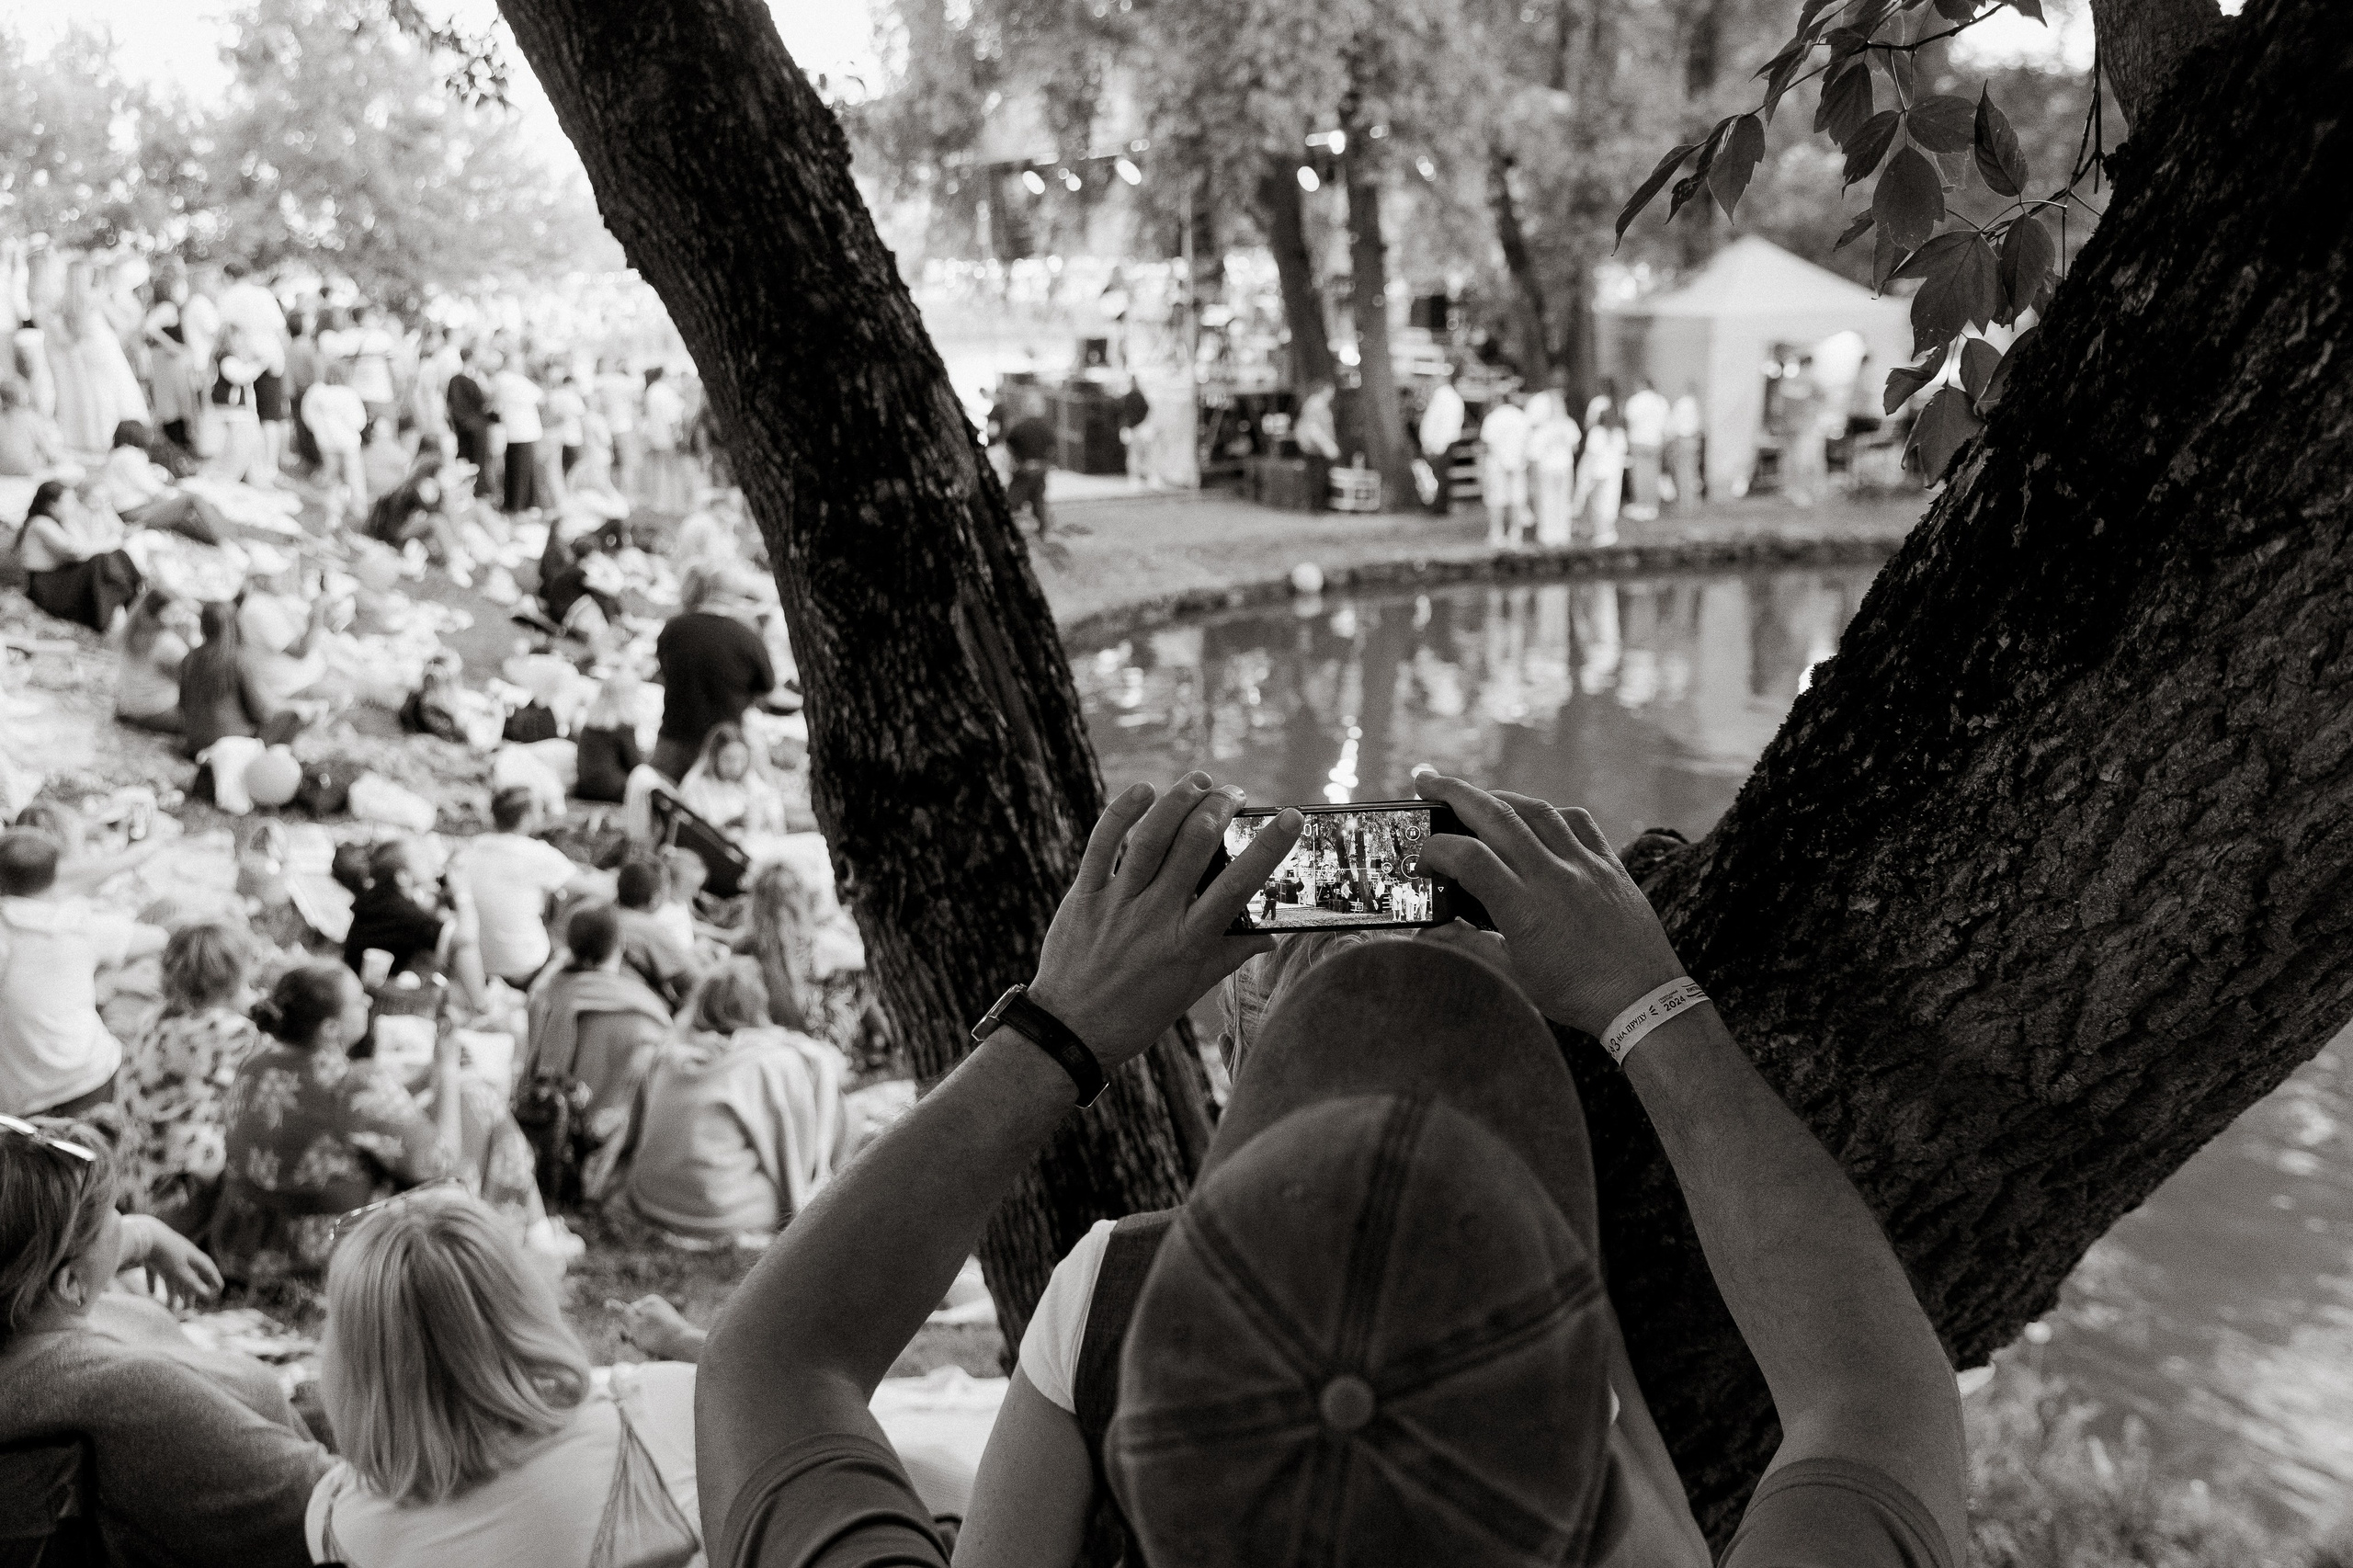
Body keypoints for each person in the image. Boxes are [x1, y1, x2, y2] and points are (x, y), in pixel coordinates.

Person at [696, 770, 1967, 1568]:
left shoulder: (1101, 1298)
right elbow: (1875, 1392)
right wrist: (1648, 1002)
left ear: (1142, 1454)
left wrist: (1060, 1025)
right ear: (1588, 1449)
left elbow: (769, 1362)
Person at [0, 1112, 332, 1568]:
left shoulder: (29, 1319)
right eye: (110, 1216)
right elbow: (325, 1509)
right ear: (69, 1284)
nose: (125, 1220)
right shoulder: (133, 1392)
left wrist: (145, 1237)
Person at [306, 1188, 700, 1568]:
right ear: (523, 1299)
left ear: (349, 1356)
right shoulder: (659, 1410)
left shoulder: (331, 1519)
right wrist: (684, 1342)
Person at [210, 963, 460, 1290]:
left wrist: (430, 1076)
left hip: (241, 1246)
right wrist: (450, 1070)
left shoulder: (255, 1062)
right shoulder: (351, 1084)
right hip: (316, 1263)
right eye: (358, 1001)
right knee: (475, 1114)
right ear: (330, 1029)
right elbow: (443, 1162)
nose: (368, 1004)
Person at [626, 960, 847, 1243]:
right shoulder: (770, 1061)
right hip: (712, 1211)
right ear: (757, 1004)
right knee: (786, 1196)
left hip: (650, 1197)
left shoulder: (668, 1051)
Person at [0, 828, 168, 1117]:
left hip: (17, 1100)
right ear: (55, 876)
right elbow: (162, 939)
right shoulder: (79, 926)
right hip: (93, 1080)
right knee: (163, 919)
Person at [520, 903, 672, 1199]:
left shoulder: (543, 993)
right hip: (603, 1147)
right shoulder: (644, 1014)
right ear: (620, 946)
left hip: (535, 1126)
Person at [116, 920, 260, 1227]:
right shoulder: (229, 1031)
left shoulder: (155, 1014)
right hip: (173, 1180)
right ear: (232, 982)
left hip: (130, 1166)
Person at [454, 787, 603, 990]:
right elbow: (597, 888)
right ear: (526, 817)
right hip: (525, 965)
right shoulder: (535, 853)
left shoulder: (470, 849)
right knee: (586, 902)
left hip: (475, 963)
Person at [653, 562, 779, 782]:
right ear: (738, 596)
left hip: (674, 737)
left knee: (664, 807)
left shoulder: (674, 629)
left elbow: (664, 671)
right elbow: (767, 687)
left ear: (708, 590)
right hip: (723, 746)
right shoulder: (746, 637)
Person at [340, 838, 487, 1007]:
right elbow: (465, 937)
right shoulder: (399, 909)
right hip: (376, 997)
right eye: (421, 858)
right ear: (403, 877)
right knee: (463, 947)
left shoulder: (382, 898)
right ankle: (482, 1007)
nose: (430, 862)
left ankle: (477, 1004)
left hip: (373, 984)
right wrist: (463, 893)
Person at [734, 858, 862, 1045]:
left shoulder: (744, 944)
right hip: (815, 1038)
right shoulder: (811, 944)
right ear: (799, 896)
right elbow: (864, 959)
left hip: (764, 1034)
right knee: (859, 976)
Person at [16, 479, 143, 633]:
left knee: (118, 555)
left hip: (61, 580)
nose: (73, 506)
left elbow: (87, 544)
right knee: (99, 562)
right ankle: (109, 619)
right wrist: (114, 541)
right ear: (52, 505)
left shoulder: (62, 522)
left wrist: (102, 511)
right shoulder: (40, 523)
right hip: (46, 587)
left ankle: (135, 602)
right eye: (68, 502)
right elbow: (77, 551)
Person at [179, 599, 298, 759]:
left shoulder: (189, 658)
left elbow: (183, 705)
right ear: (234, 625)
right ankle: (270, 763)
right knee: (294, 716)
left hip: (195, 743)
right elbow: (262, 713)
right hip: (231, 746)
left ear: (203, 625)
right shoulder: (238, 660)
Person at [215, 261, 289, 483]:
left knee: (242, 414)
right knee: (270, 415)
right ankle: (269, 466)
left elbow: (222, 330)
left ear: (229, 276)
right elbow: (280, 328)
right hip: (269, 358)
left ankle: (244, 466)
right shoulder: (264, 295)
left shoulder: (227, 297)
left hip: (240, 359)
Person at [98, 420, 228, 541]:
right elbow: (152, 488)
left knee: (184, 511)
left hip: (127, 512)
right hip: (135, 513)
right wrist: (176, 493)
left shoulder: (115, 456)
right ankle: (225, 539)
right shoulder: (129, 455)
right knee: (194, 499)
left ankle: (220, 536)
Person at [677, 721, 785, 842]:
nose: (736, 767)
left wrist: (765, 818)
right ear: (714, 757)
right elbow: (693, 832)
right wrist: (728, 825)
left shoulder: (749, 781)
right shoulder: (697, 786)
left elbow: (774, 810)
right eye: (729, 759)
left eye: (741, 759)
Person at [615, 858, 699, 1006]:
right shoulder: (649, 929)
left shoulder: (599, 913)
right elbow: (694, 980)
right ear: (654, 899)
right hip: (635, 1008)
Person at [115, 587, 196, 733]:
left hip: (126, 708)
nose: (180, 617)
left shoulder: (132, 630)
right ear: (159, 613)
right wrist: (191, 638)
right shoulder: (166, 642)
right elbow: (198, 675)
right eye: (175, 613)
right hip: (154, 713)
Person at [301, 360, 369, 517]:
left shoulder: (316, 392)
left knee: (333, 479)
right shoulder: (349, 394)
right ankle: (359, 512)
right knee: (354, 479)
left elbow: (307, 417)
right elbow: (359, 422)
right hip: (348, 443)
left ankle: (332, 510)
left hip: (325, 442)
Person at [574, 668, 646, 803]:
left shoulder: (590, 722)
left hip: (585, 789)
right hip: (614, 790)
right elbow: (635, 766)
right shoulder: (623, 726)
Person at [1525, 391, 1582, 548]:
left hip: (1557, 467)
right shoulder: (1563, 424)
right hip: (1553, 468)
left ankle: (1557, 533)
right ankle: (1552, 533)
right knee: (1551, 500)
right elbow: (1574, 445)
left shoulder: (1552, 426)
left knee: (1556, 500)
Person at [1477, 392, 1531, 548]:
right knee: (1517, 499)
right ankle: (1516, 534)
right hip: (1517, 464)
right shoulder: (1521, 417)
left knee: (1496, 500)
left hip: (1496, 464)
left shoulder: (1493, 418)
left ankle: (1497, 533)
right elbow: (1528, 441)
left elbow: (1487, 443)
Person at [494, 355, 546, 515]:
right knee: (520, 473)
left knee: (518, 471)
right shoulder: (510, 380)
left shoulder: (506, 380)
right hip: (521, 432)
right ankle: (518, 507)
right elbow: (540, 396)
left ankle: (518, 505)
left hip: (519, 432)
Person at [446, 346, 499, 500]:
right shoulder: (471, 379)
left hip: (463, 427)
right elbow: (484, 402)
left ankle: (469, 490)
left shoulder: (455, 380)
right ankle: (479, 491)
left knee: (466, 458)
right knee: (478, 460)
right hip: (476, 426)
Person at [1575, 403, 1629, 547]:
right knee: (1609, 503)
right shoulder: (1619, 433)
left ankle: (1602, 533)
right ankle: (1605, 531)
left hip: (1599, 473)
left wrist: (1585, 474)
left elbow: (1591, 454)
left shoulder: (1597, 432)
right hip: (1613, 473)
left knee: (1599, 504)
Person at [1002, 401, 1056, 538]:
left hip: (1023, 468)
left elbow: (1009, 445)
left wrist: (1016, 461)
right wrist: (1045, 462)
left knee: (1012, 501)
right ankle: (1043, 531)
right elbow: (1052, 447)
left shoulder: (1019, 427)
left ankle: (1007, 530)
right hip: (1040, 469)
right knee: (1038, 500)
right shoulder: (1046, 428)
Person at [1417, 365, 1466, 515]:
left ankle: (1438, 507)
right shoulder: (1453, 397)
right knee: (1442, 476)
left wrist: (1430, 442)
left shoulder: (1442, 396)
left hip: (1440, 442)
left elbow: (1435, 421)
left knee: (1438, 477)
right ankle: (1441, 505)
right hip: (1447, 441)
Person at [1779, 355, 1827, 506]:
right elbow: (1823, 399)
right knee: (1805, 461)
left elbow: (1780, 407)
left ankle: (1793, 490)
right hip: (1805, 427)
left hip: (1791, 427)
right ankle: (1803, 492)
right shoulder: (1811, 381)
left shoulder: (1789, 381)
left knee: (1792, 459)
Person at [1622, 378, 1671, 522]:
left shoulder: (1635, 401)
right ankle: (1652, 506)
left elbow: (1629, 420)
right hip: (1655, 441)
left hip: (1638, 440)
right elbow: (1666, 424)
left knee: (1639, 474)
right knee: (1653, 474)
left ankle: (1642, 505)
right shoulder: (1660, 402)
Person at [0, 376, 70, 475]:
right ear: (21, 397)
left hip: (3, 472)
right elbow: (50, 453)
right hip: (27, 472)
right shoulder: (30, 418)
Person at [1668, 381, 1705, 510]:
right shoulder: (1694, 404)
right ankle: (1694, 501)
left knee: (1683, 472)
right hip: (1693, 440)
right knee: (1692, 471)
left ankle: (1685, 502)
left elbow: (1674, 424)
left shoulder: (1682, 403)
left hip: (1683, 439)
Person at [1291, 379, 1340, 461]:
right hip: (1313, 449)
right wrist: (1328, 446)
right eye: (1331, 390)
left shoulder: (1319, 403)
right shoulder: (1316, 404)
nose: (1333, 394)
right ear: (1324, 390)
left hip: (1317, 450)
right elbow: (1312, 428)